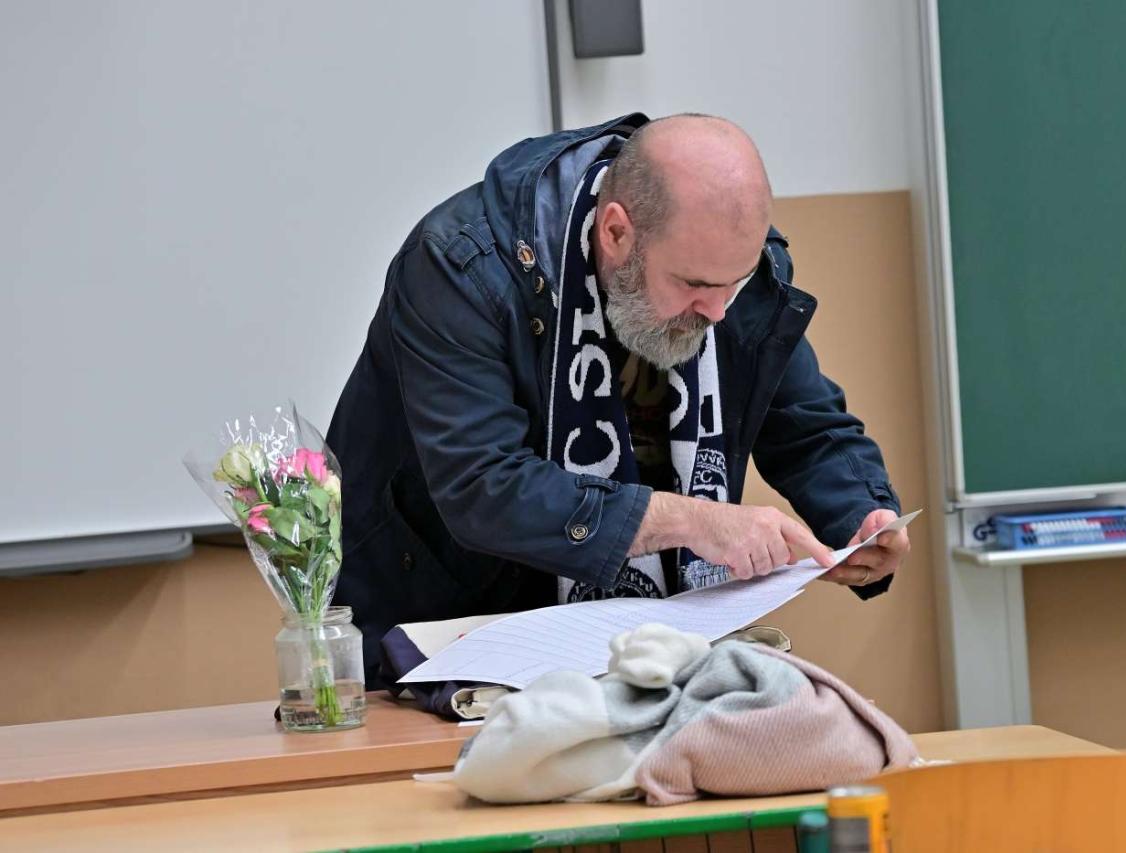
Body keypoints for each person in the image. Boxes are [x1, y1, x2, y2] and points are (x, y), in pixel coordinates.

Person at [327, 113, 910, 684]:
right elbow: (484, 487)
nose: (718, 313)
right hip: (452, 628)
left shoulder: (720, 267)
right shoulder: (461, 266)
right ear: (615, 233)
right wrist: (693, 521)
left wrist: (860, 513)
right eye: (694, 285)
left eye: (734, 286)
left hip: (646, 642)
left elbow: (804, 422)